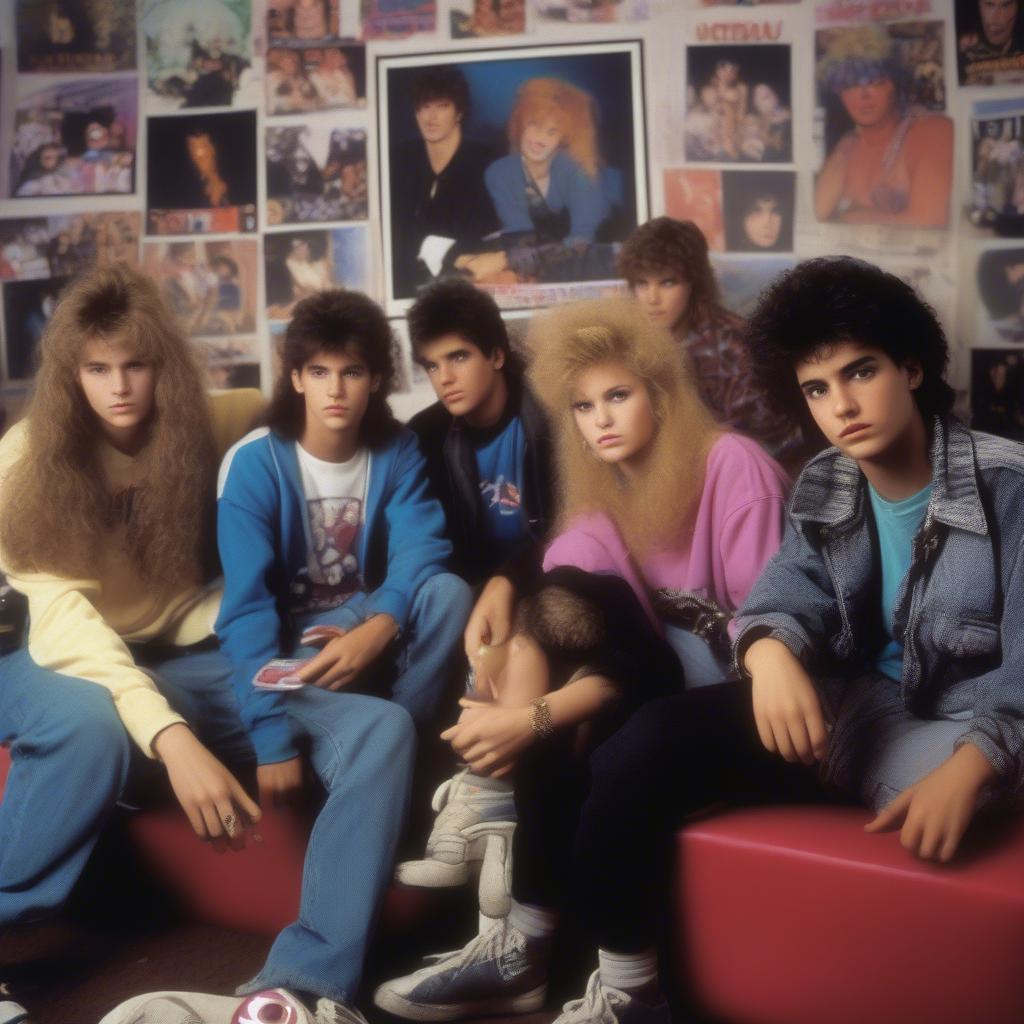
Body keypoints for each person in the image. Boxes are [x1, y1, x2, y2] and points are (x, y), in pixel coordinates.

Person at [412, 254, 1024, 1024]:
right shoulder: (827, 481)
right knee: (641, 746)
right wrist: (768, 653)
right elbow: (786, 594)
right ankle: (629, 994)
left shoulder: (1007, 482)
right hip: (847, 709)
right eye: (816, 388)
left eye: (860, 373)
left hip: (959, 726)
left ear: (911, 366)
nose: (841, 404)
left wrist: (975, 765)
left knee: (963, 801)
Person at [374, 295, 789, 1023]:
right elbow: (573, 613)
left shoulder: (732, 465)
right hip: (648, 679)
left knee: (573, 696)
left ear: (660, 394)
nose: (600, 418)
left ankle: (502, 832)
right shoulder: (602, 493)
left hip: (741, 687)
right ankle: (519, 951)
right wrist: (511, 665)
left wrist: (539, 709)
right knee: (546, 606)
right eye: (582, 405)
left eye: (619, 396)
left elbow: (766, 635)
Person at [0, 265, 267, 1022]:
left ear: (163, 367)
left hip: (174, 645)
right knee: (89, 722)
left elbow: (320, 417)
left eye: (136, 365)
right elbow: (65, 625)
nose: (119, 387)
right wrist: (171, 736)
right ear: (70, 375)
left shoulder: (215, 421)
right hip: (37, 647)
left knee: (299, 691)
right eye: (96, 368)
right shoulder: (24, 459)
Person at [396, 280, 555, 904]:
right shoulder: (429, 434)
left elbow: (577, 525)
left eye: (457, 357)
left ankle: (481, 801)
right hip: (474, 587)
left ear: (496, 354)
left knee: (520, 626)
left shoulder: (550, 410)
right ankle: (466, 807)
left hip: (551, 574)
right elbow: (431, 540)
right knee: (460, 612)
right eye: (432, 365)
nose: (444, 379)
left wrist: (508, 581)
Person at [617, 216, 806, 470]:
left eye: (667, 282)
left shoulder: (731, 342)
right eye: (642, 283)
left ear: (693, 284)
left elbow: (766, 439)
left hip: (760, 468)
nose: (652, 298)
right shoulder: (634, 341)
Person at [814, 24, 953, 227]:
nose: (863, 96)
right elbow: (816, 215)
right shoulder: (847, 146)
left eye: (874, 82)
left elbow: (930, 222)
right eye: (850, 85)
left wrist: (850, 218)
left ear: (895, 84)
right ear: (840, 93)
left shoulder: (932, 131)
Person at [483, 77, 615, 282]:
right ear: (520, 125)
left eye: (551, 131)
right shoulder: (499, 172)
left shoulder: (579, 173)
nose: (539, 139)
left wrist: (546, 258)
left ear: (564, 138)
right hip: (520, 271)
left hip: (580, 271)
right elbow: (518, 232)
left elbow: (583, 235)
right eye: (534, 126)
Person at [389, 66, 501, 298]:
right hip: (407, 287)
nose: (431, 117)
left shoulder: (486, 162)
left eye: (442, 106)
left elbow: (493, 242)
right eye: (425, 107)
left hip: (467, 288)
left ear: (459, 112)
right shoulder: (399, 158)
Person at [959, 0, 1024, 84]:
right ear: (978, 6)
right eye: (989, 4)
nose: (996, 17)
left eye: (1006, 5)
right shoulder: (959, 48)